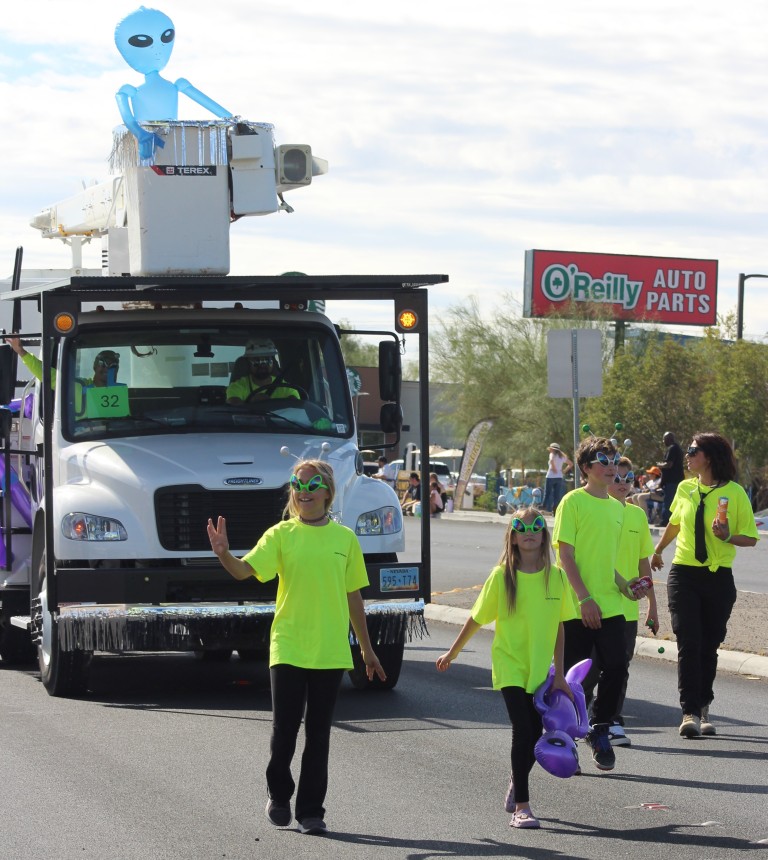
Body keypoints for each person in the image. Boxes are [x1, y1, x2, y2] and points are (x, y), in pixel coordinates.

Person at [207, 459, 385, 836]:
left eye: (312, 484)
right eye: (297, 484)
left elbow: (354, 598)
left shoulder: (345, 540)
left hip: (330, 649)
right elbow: (244, 572)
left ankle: (310, 812)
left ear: (327, 492)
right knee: (285, 730)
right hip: (288, 645)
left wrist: (366, 650)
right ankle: (278, 794)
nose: (303, 491)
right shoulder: (281, 535)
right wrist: (224, 553)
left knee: (319, 733)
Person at [436, 507, 570, 830]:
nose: (529, 531)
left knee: (535, 735)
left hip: (539, 670)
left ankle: (516, 775)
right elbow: (476, 618)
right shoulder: (501, 577)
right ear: (511, 534)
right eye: (521, 526)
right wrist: (452, 652)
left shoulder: (557, 577)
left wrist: (561, 674)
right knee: (523, 729)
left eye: (536, 525)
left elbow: (560, 627)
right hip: (509, 664)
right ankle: (522, 807)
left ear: (544, 534)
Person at [651, 432, 758, 738]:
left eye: (693, 450)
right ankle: (689, 713)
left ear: (708, 457)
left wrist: (726, 536)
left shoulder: (735, 494)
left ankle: (704, 705)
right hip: (683, 573)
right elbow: (675, 523)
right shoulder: (685, 488)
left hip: (718, 577)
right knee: (689, 642)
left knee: (709, 646)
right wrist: (658, 551)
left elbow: (750, 537)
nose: (687, 455)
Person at [552, 437, 648, 771]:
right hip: (578, 606)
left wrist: (627, 587)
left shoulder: (616, 508)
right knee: (574, 679)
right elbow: (565, 555)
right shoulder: (572, 502)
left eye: (614, 459)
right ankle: (564, 736)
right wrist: (585, 598)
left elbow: (608, 565)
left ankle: (600, 728)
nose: (610, 465)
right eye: (602, 459)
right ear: (585, 468)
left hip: (610, 606)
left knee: (617, 668)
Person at [581, 456, 659, 747]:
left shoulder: (638, 515)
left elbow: (643, 565)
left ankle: (611, 719)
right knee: (589, 668)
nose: (623, 482)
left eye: (629, 478)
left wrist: (652, 604)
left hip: (627, 608)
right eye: (618, 477)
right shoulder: (595, 509)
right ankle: (582, 718)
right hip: (597, 604)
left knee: (619, 666)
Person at [226, 338, 300, 404]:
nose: (262, 365)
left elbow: (296, 411)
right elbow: (233, 406)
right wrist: (251, 403)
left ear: (273, 362)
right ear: (248, 363)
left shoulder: (287, 388)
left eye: (267, 360)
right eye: (256, 361)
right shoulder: (237, 386)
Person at [657, 432, 685, 526]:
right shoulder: (677, 448)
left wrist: (660, 465)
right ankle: (670, 521)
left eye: (664, 439)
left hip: (672, 480)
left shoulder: (672, 448)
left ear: (669, 439)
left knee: (669, 501)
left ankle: (666, 521)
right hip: (676, 479)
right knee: (671, 500)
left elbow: (669, 464)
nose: (663, 441)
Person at [543, 443, 573, 514]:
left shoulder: (552, 454)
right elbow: (571, 464)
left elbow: (551, 460)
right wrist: (564, 471)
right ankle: (555, 510)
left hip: (550, 476)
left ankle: (544, 507)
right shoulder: (562, 456)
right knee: (557, 495)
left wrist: (553, 468)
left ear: (552, 449)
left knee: (547, 493)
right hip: (559, 477)